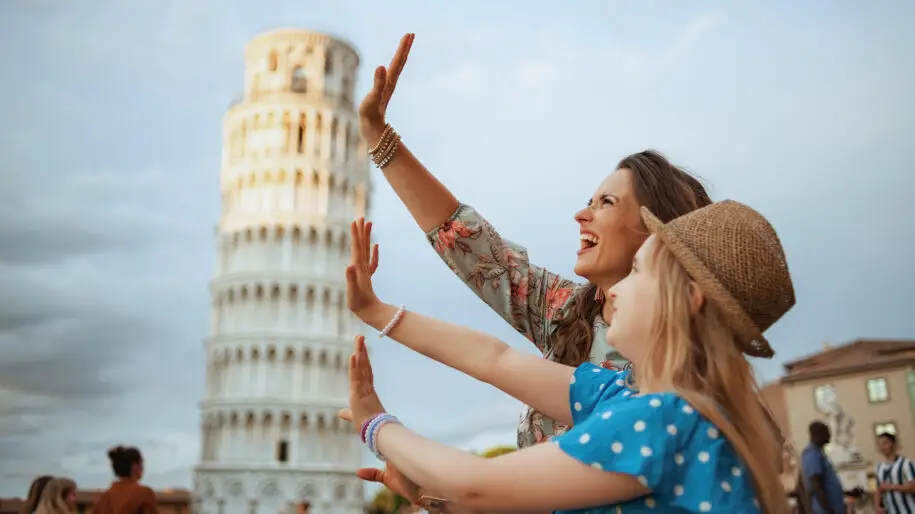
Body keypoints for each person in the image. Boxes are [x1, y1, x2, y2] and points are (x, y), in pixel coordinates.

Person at [357, 34, 713, 452]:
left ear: (656, 232)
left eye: (607, 203)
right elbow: (469, 242)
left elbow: (494, 367)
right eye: (588, 202)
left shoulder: (684, 365)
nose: (582, 214)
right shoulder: (570, 310)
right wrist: (379, 137)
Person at [341, 198, 794, 513]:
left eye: (637, 271)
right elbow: (494, 358)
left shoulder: (664, 420)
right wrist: (377, 311)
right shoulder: (636, 399)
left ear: (689, 299)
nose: (615, 290)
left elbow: (475, 486)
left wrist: (375, 424)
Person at [93, 446, 157, 514]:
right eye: (141, 463)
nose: (142, 468)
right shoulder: (144, 494)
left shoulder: (102, 499)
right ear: (134, 466)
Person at [801, 422, 846, 514]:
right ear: (818, 434)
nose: (829, 436)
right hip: (824, 509)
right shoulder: (811, 454)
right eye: (827, 433)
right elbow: (815, 483)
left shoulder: (819, 453)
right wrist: (828, 508)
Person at [875, 432, 915, 513]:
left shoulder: (906, 463)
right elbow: (879, 489)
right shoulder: (879, 467)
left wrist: (891, 487)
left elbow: (913, 487)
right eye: (880, 444)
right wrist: (877, 506)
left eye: (885, 443)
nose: (882, 447)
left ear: (893, 445)